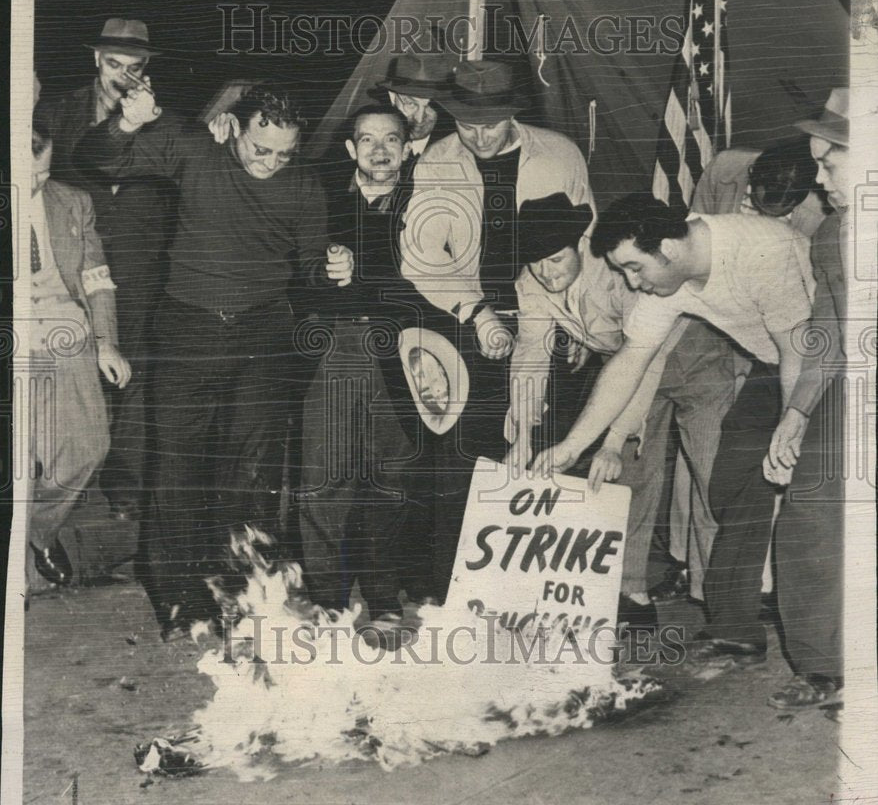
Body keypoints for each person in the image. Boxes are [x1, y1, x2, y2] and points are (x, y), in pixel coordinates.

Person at [75, 83, 353, 638]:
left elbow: (311, 271)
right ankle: (180, 601)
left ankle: (245, 594)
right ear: (236, 128)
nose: (271, 163)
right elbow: (95, 157)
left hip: (263, 334)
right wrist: (128, 125)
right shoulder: (195, 150)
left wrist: (336, 267)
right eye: (260, 148)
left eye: (283, 153)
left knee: (252, 472)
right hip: (188, 328)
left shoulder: (302, 185)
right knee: (177, 467)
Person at [530, 193, 815, 662]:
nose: (631, 282)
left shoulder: (761, 248)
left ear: (669, 246)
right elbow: (631, 361)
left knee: (806, 489)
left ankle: (824, 644)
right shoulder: (669, 281)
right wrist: (572, 446)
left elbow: (797, 350)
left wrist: (794, 421)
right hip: (775, 363)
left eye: (634, 267)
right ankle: (736, 626)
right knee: (734, 480)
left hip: (832, 361)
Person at [399, 60, 596, 596]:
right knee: (464, 456)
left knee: (547, 450)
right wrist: (477, 313)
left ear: (514, 113)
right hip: (467, 322)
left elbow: (585, 244)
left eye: (491, 124)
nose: (479, 137)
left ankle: (537, 596)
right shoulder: (438, 161)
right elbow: (421, 258)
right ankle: (453, 592)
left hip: (550, 319)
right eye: (467, 125)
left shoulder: (560, 154)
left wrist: (580, 324)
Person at [507, 193, 734, 628]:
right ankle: (633, 594)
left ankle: (726, 605)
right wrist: (522, 437)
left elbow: (644, 356)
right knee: (627, 479)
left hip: (690, 358)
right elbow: (531, 356)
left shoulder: (618, 273)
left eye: (555, 260)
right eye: (535, 262)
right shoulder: (531, 280)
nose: (545, 271)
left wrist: (613, 439)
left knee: (710, 479)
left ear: (578, 244)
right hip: (625, 372)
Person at [659, 134, 826, 602]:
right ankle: (684, 564)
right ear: (750, 177)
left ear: (801, 198)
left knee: (756, 458)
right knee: (699, 453)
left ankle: (746, 581)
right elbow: (693, 244)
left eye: (782, 208)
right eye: (758, 198)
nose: (764, 209)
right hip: (709, 316)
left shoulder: (819, 210)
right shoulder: (724, 168)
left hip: (773, 332)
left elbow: (797, 311)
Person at [35, 18, 175, 522]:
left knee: (133, 377)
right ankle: (59, 487)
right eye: (113, 64)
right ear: (96, 60)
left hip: (140, 266)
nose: (123, 76)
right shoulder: (54, 111)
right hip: (72, 272)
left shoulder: (163, 120)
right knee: (70, 379)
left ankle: (124, 489)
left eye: (133, 67)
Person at [296, 105, 425, 640]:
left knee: (389, 479)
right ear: (350, 149)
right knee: (325, 478)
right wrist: (327, 278)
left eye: (390, 140)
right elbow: (296, 274)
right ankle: (327, 603)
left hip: (405, 349)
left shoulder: (427, 203)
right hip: (338, 345)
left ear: (407, 148)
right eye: (366, 140)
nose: (379, 151)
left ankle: (382, 599)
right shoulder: (321, 199)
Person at [763, 89, 850, 709]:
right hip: (850, 392)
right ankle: (820, 664)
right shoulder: (832, 235)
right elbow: (827, 328)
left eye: (829, 165)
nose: (818, 183)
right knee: (809, 512)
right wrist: (797, 411)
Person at [27, 123, 131, 595]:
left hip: (65, 330)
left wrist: (105, 342)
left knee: (88, 449)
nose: (36, 186)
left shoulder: (72, 202)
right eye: (25, 176)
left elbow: (97, 280)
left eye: (43, 174)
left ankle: (38, 531)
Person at [372, 52, 456, 168]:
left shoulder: (455, 146)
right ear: (392, 97)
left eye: (430, 105)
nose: (420, 118)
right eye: (411, 103)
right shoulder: (370, 141)